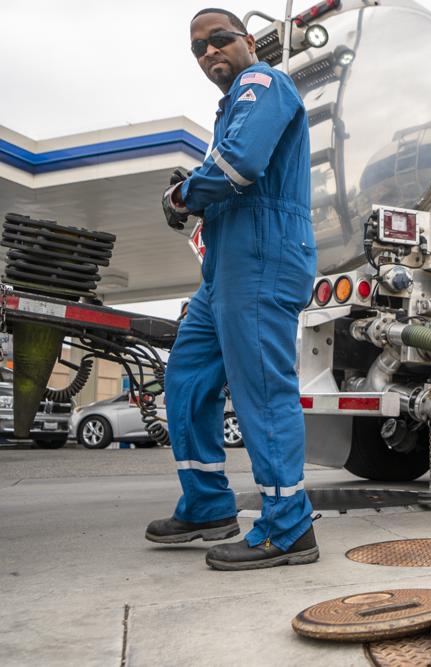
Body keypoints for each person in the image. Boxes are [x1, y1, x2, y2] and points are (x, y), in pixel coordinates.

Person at [145, 7, 318, 571]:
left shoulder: (264, 82)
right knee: (188, 379)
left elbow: (239, 165)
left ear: (247, 41)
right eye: (198, 48)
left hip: (263, 258)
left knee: (262, 391)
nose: (209, 52)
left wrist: (182, 195)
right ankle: (208, 506)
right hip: (224, 269)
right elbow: (227, 167)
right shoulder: (231, 107)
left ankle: (289, 528)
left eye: (218, 39)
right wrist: (195, 193)